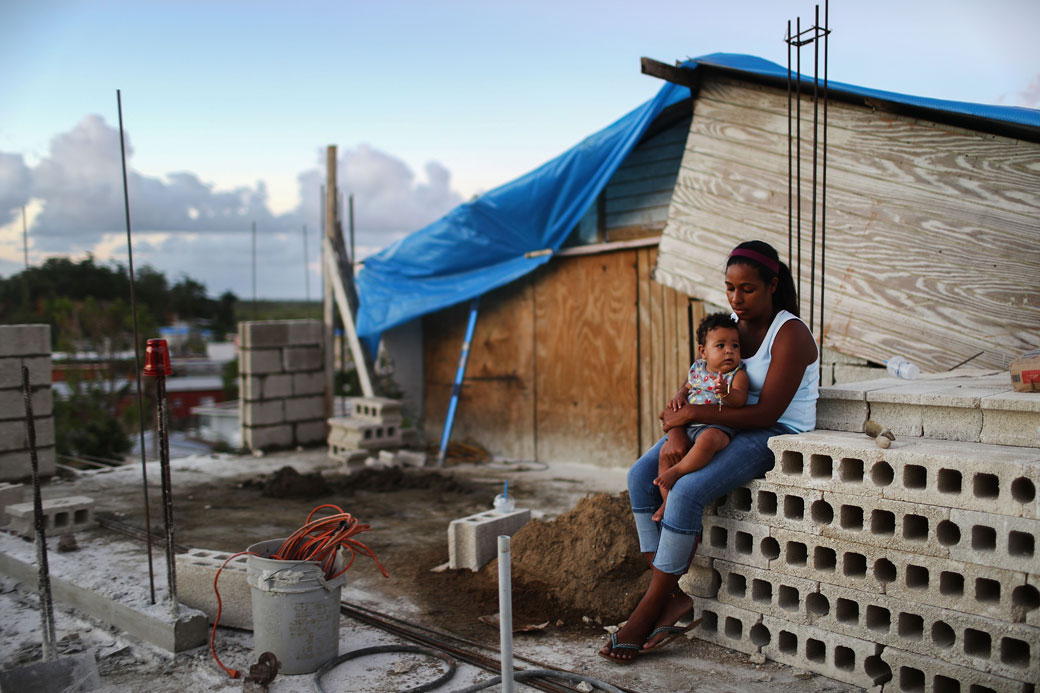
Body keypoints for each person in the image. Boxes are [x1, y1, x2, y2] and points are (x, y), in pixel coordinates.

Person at [599, 240, 819, 663]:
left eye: (748, 289)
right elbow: (695, 380)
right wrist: (677, 426)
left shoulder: (789, 333)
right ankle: (669, 598)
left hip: (772, 430)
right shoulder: (731, 326)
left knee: (685, 490)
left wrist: (691, 419)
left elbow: (767, 411)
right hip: (718, 422)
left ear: (773, 285)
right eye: (730, 288)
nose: (737, 299)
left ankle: (650, 607)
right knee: (637, 476)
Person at [651, 312, 749, 523]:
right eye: (720, 346)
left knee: (708, 440)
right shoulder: (697, 369)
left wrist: (726, 393)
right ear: (703, 352)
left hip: (718, 425)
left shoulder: (737, 374)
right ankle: (666, 502)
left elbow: (740, 399)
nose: (729, 351)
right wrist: (679, 396)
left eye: (735, 346)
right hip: (690, 425)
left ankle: (677, 471)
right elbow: (687, 388)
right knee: (663, 454)